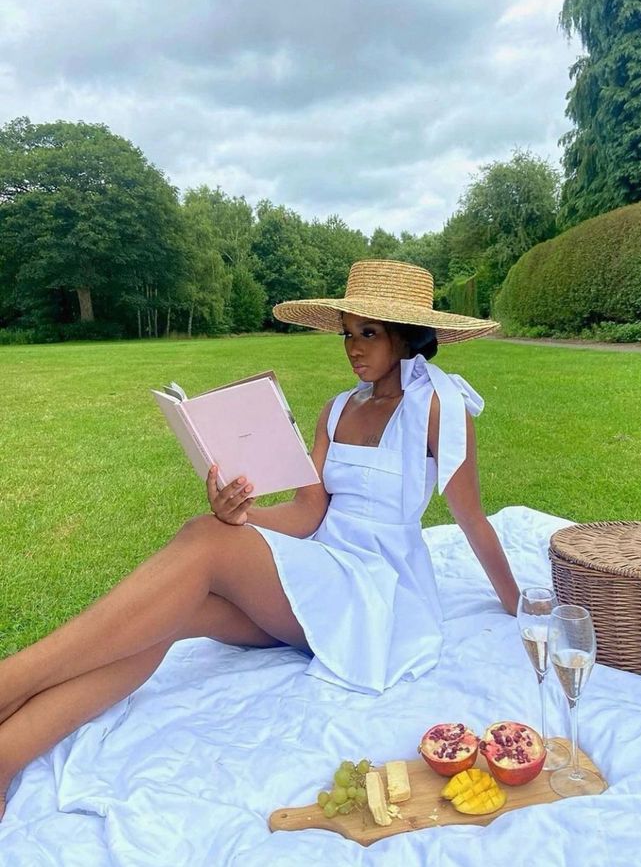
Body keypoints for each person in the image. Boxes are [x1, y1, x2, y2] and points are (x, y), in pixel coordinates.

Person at [0, 259, 520, 820]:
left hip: (378, 597)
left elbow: (472, 517)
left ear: (407, 336)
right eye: (347, 334)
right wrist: (240, 518)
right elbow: (307, 511)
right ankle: (9, 752)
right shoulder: (337, 409)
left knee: (202, 540)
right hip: (321, 572)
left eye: (367, 333)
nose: (352, 348)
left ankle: (9, 681)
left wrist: (520, 603)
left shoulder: (439, 408)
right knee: (179, 603)